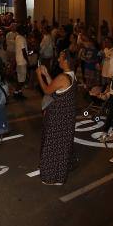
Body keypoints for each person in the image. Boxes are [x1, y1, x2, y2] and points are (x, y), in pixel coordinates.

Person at [37, 50, 77, 186]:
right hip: (66, 116)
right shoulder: (71, 75)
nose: (58, 59)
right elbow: (56, 88)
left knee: (52, 145)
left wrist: (39, 76)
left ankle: (50, 177)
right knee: (62, 146)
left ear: (66, 61)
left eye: (60, 57)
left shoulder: (62, 77)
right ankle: (60, 176)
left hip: (58, 117)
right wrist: (47, 74)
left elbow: (47, 90)